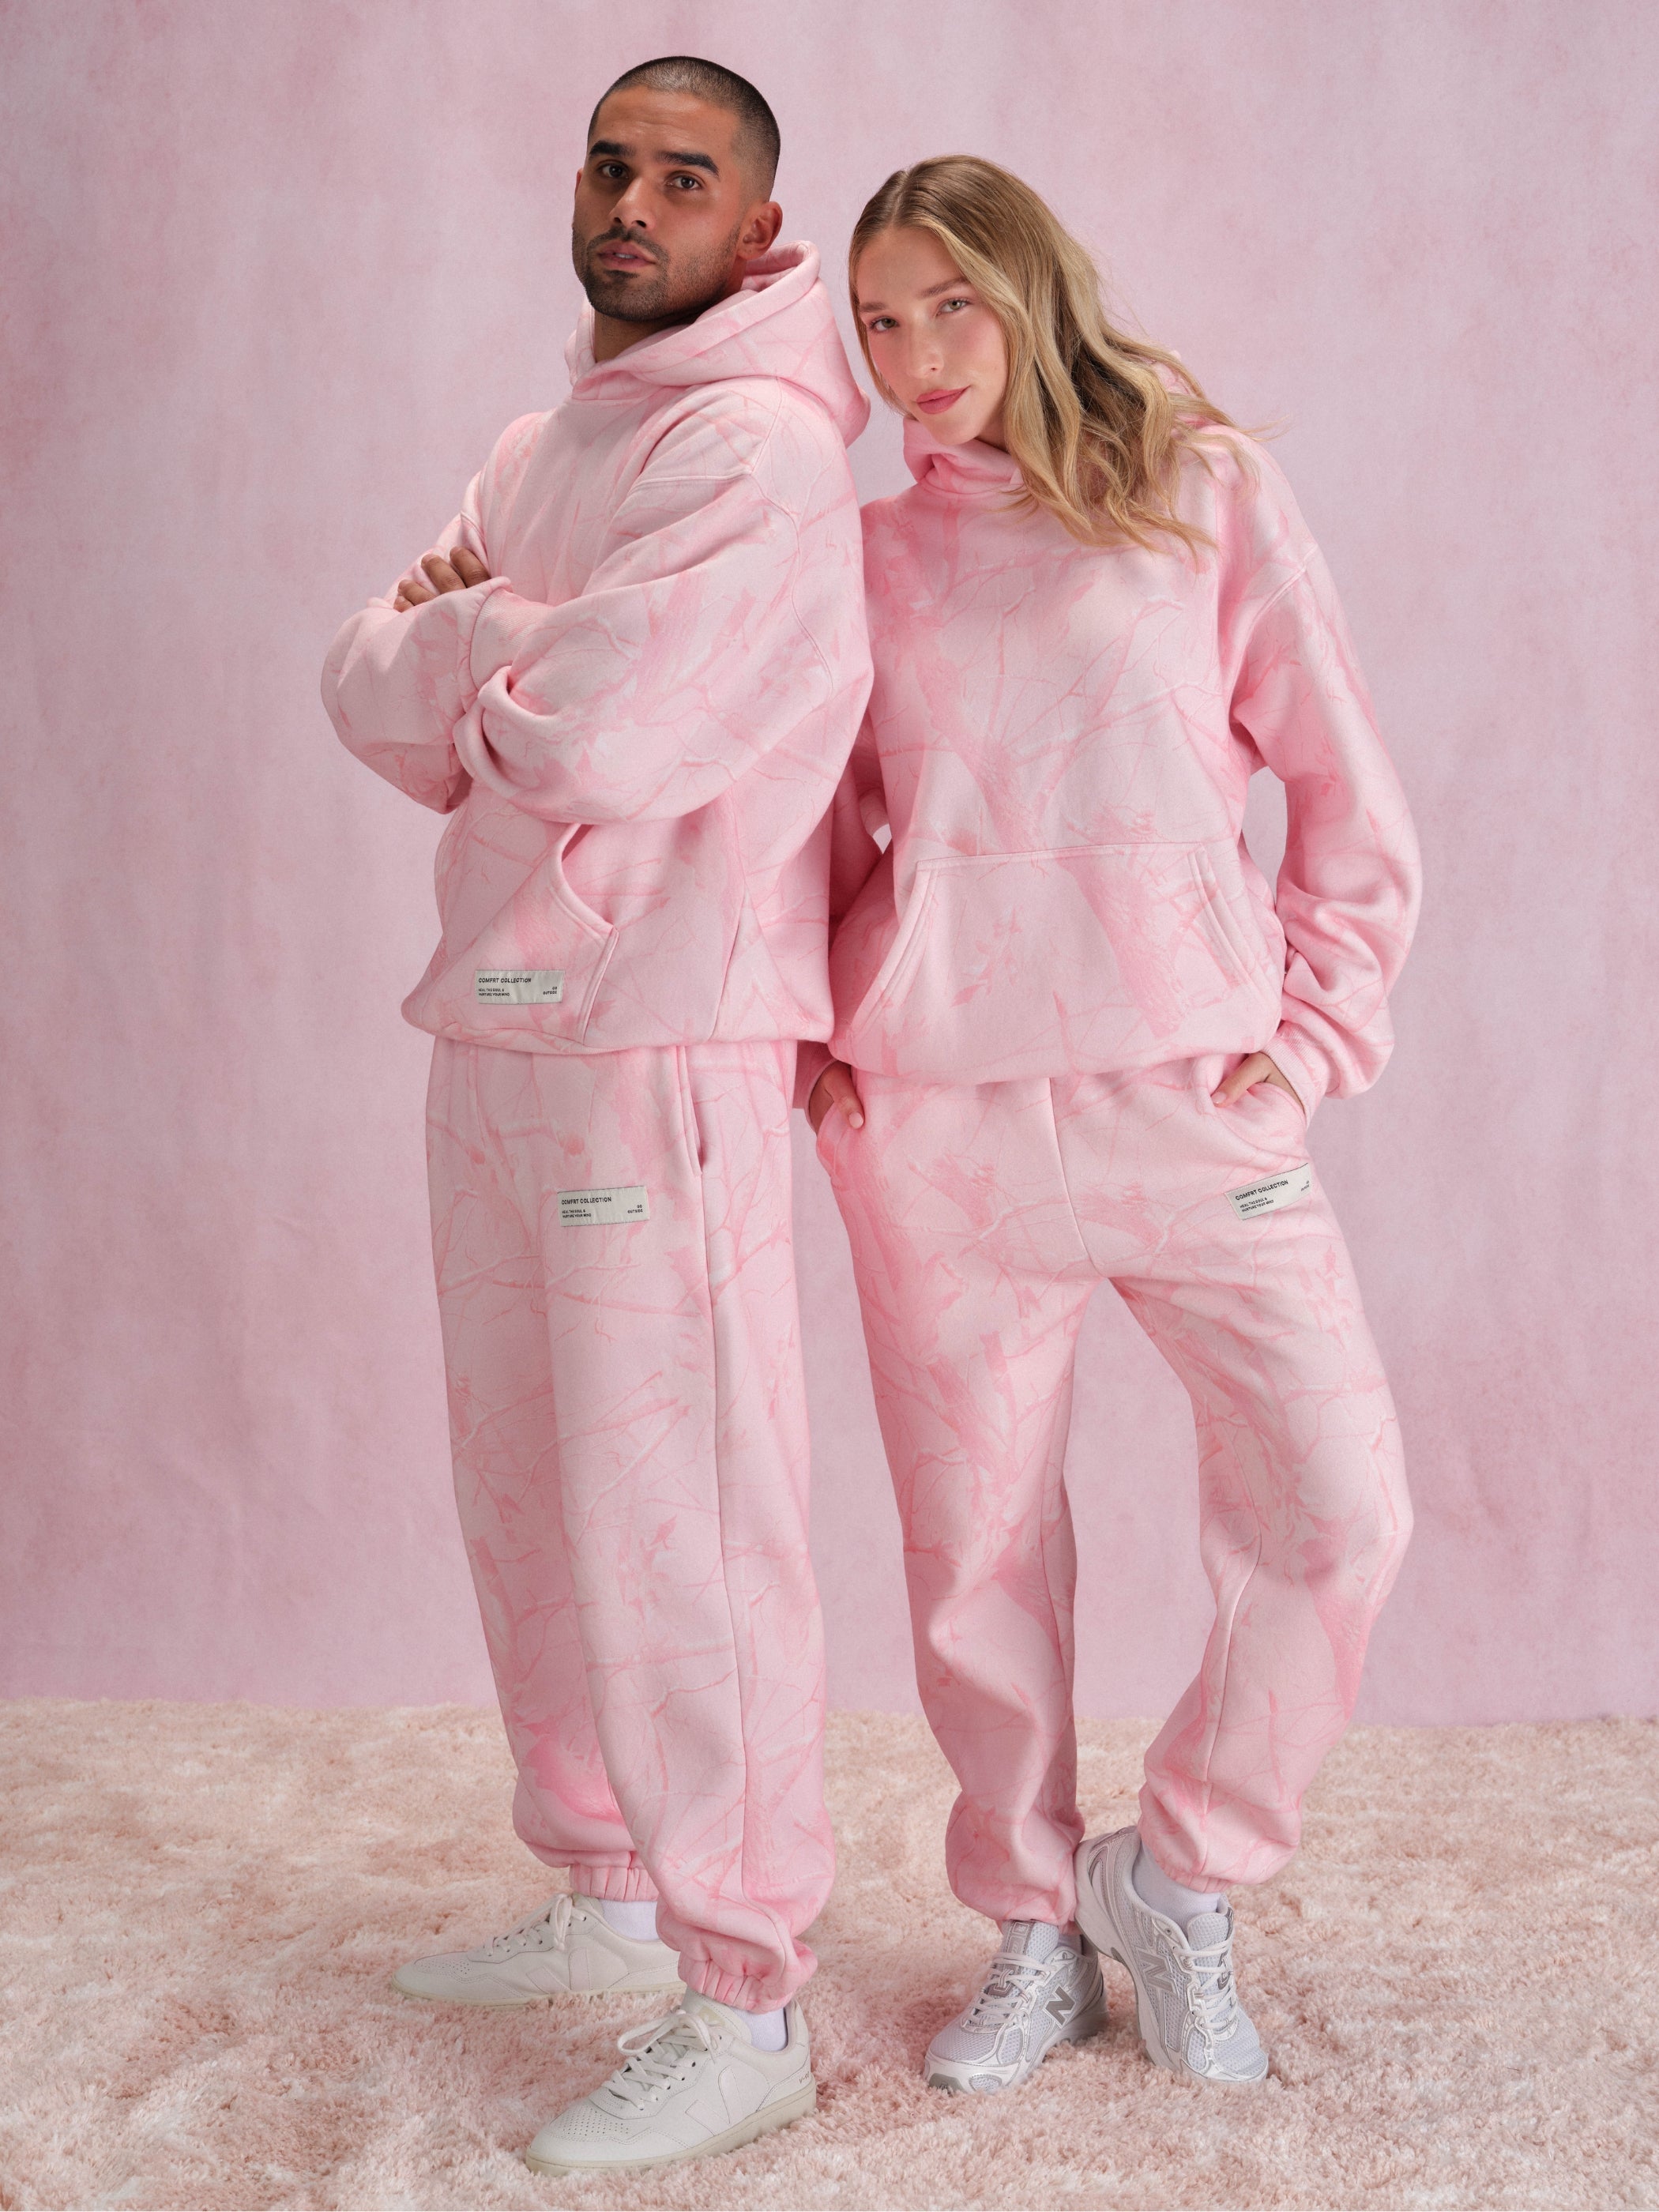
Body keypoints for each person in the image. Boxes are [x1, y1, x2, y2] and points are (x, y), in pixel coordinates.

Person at [807, 156, 1420, 2097]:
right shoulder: (862, 554)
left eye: (950, 306)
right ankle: (1029, 1925)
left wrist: (1312, 1035)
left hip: (1187, 1094)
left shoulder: (1199, 489)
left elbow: (1344, 782)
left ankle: (1179, 1869)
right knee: (974, 1549)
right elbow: (806, 823)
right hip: (941, 1120)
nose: (916, 357)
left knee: (1341, 1502)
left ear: (1031, 290)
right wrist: (823, 1029)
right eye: (879, 322)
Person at [322, 57, 871, 2176]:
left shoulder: (762, 451)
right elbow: (361, 689)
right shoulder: (536, 443)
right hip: (500, 1018)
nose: (634, 201)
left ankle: (750, 1998)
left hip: (665, 1040)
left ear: (759, 228)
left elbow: (603, 732)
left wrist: (464, 640)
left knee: (686, 1513)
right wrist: (504, 652)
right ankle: (608, 1888)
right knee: (532, 1486)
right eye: (613, 164)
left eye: (685, 177)